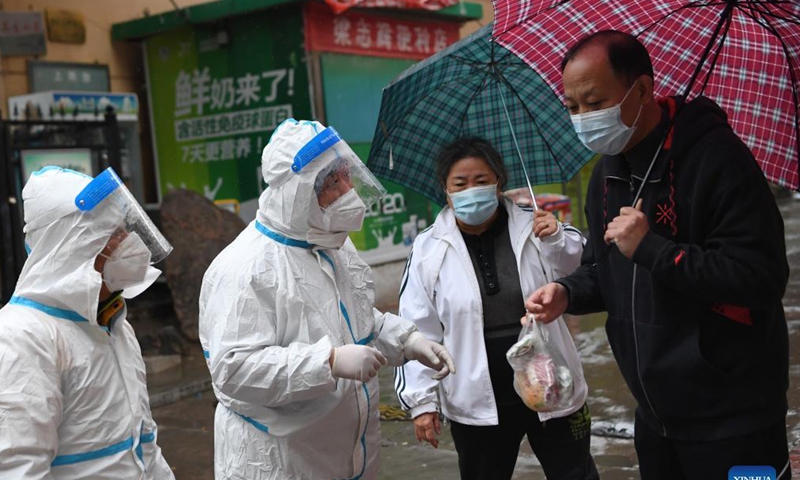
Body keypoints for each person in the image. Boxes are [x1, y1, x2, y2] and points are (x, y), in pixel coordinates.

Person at [526, 30, 791, 479]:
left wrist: (653, 249)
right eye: (572, 107)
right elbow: (604, 270)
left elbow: (759, 276)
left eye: (594, 102)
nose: (584, 118)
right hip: (655, 415)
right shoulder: (607, 174)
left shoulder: (717, 159)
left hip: (733, 415)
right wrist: (568, 293)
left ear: (643, 89)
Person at [198, 119, 456, 480]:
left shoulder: (332, 244)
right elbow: (234, 369)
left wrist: (407, 340)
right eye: (332, 184)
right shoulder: (244, 268)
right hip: (280, 460)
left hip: (347, 453)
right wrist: (328, 361)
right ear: (298, 193)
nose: (348, 191)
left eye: (347, 176)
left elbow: (357, 319)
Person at [395, 137, 599, 480]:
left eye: (481, 181)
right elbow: (416, 328)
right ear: (445, 190)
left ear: (498, 183)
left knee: (575, 474)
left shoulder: (535, 228)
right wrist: (422, 402)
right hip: (476, 401)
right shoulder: (428, 250)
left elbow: (586, 271)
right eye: (460, 183)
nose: (470, 190)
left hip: (550, 384)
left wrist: (557, 238)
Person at [0, 166, 175, 479]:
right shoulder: (21, 337)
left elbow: (143, 443)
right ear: (72, 247)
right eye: (112, 235)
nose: (127, 242)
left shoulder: (112, 321)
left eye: (124, 230)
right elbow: (18, 469)